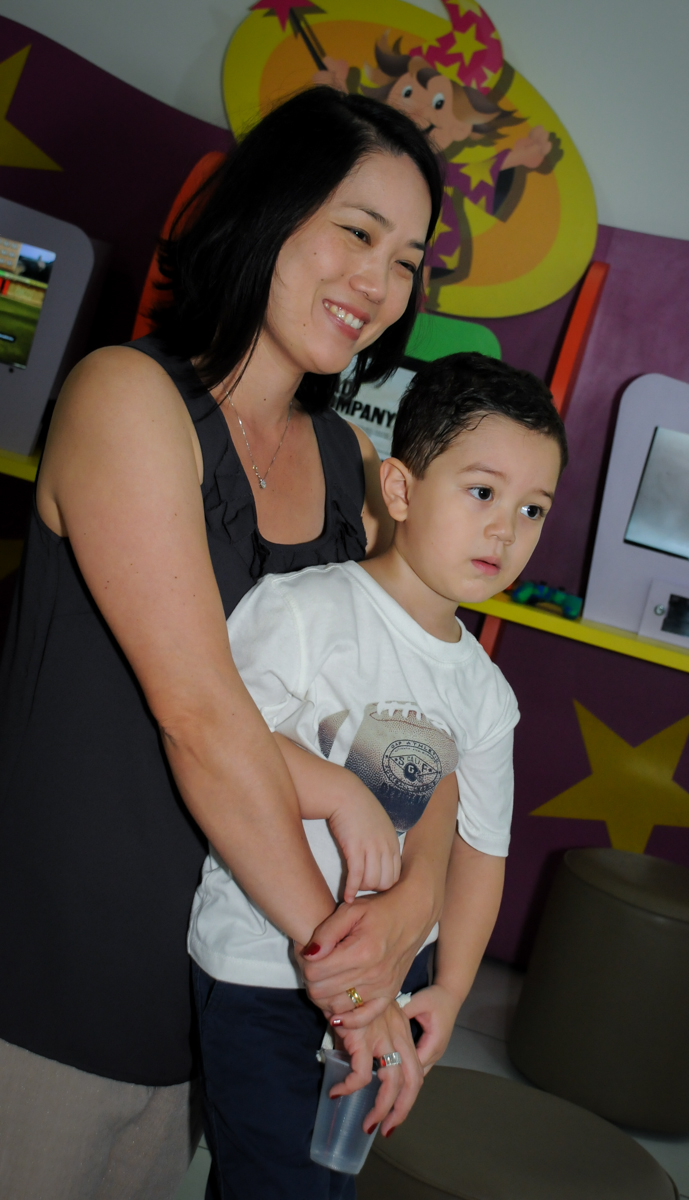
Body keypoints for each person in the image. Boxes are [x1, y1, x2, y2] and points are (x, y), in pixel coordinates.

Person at [0, 86, 448, 1200]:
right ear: (267, 211)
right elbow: (201, 717)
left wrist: (409, 910)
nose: (377, 283)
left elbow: (422, 712)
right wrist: (349, 976)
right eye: (356, 231)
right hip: (55, 966)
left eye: (405, 261)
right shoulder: (127, 396)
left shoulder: (351, 465)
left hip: (229, 981)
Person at [188, 352, 567, 1197]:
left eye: (531, 509)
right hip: (264, 968)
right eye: (481, 492)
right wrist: (341, 793)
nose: (505, 531)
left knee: (320, 1179)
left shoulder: (485, 695)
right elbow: (225, 745)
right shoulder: (304, 610)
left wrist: (451, 990)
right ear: (399, 490)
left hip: (392, 979)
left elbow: (480, 854)